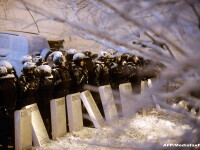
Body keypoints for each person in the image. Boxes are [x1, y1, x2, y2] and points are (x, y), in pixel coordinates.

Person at [0, 66, 17, 149]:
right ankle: (12, 143)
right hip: (11, 109)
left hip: (3, 111)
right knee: (11, 128)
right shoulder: (12, 83)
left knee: (3, 129)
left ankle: (5, 145)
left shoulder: (2, 86)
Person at [37, 65, 53, 138]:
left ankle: (46, 134)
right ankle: (49, 133)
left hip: (43, 103)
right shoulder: (50, 81)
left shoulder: (42, 83)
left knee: (44, 118)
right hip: (48, 102)